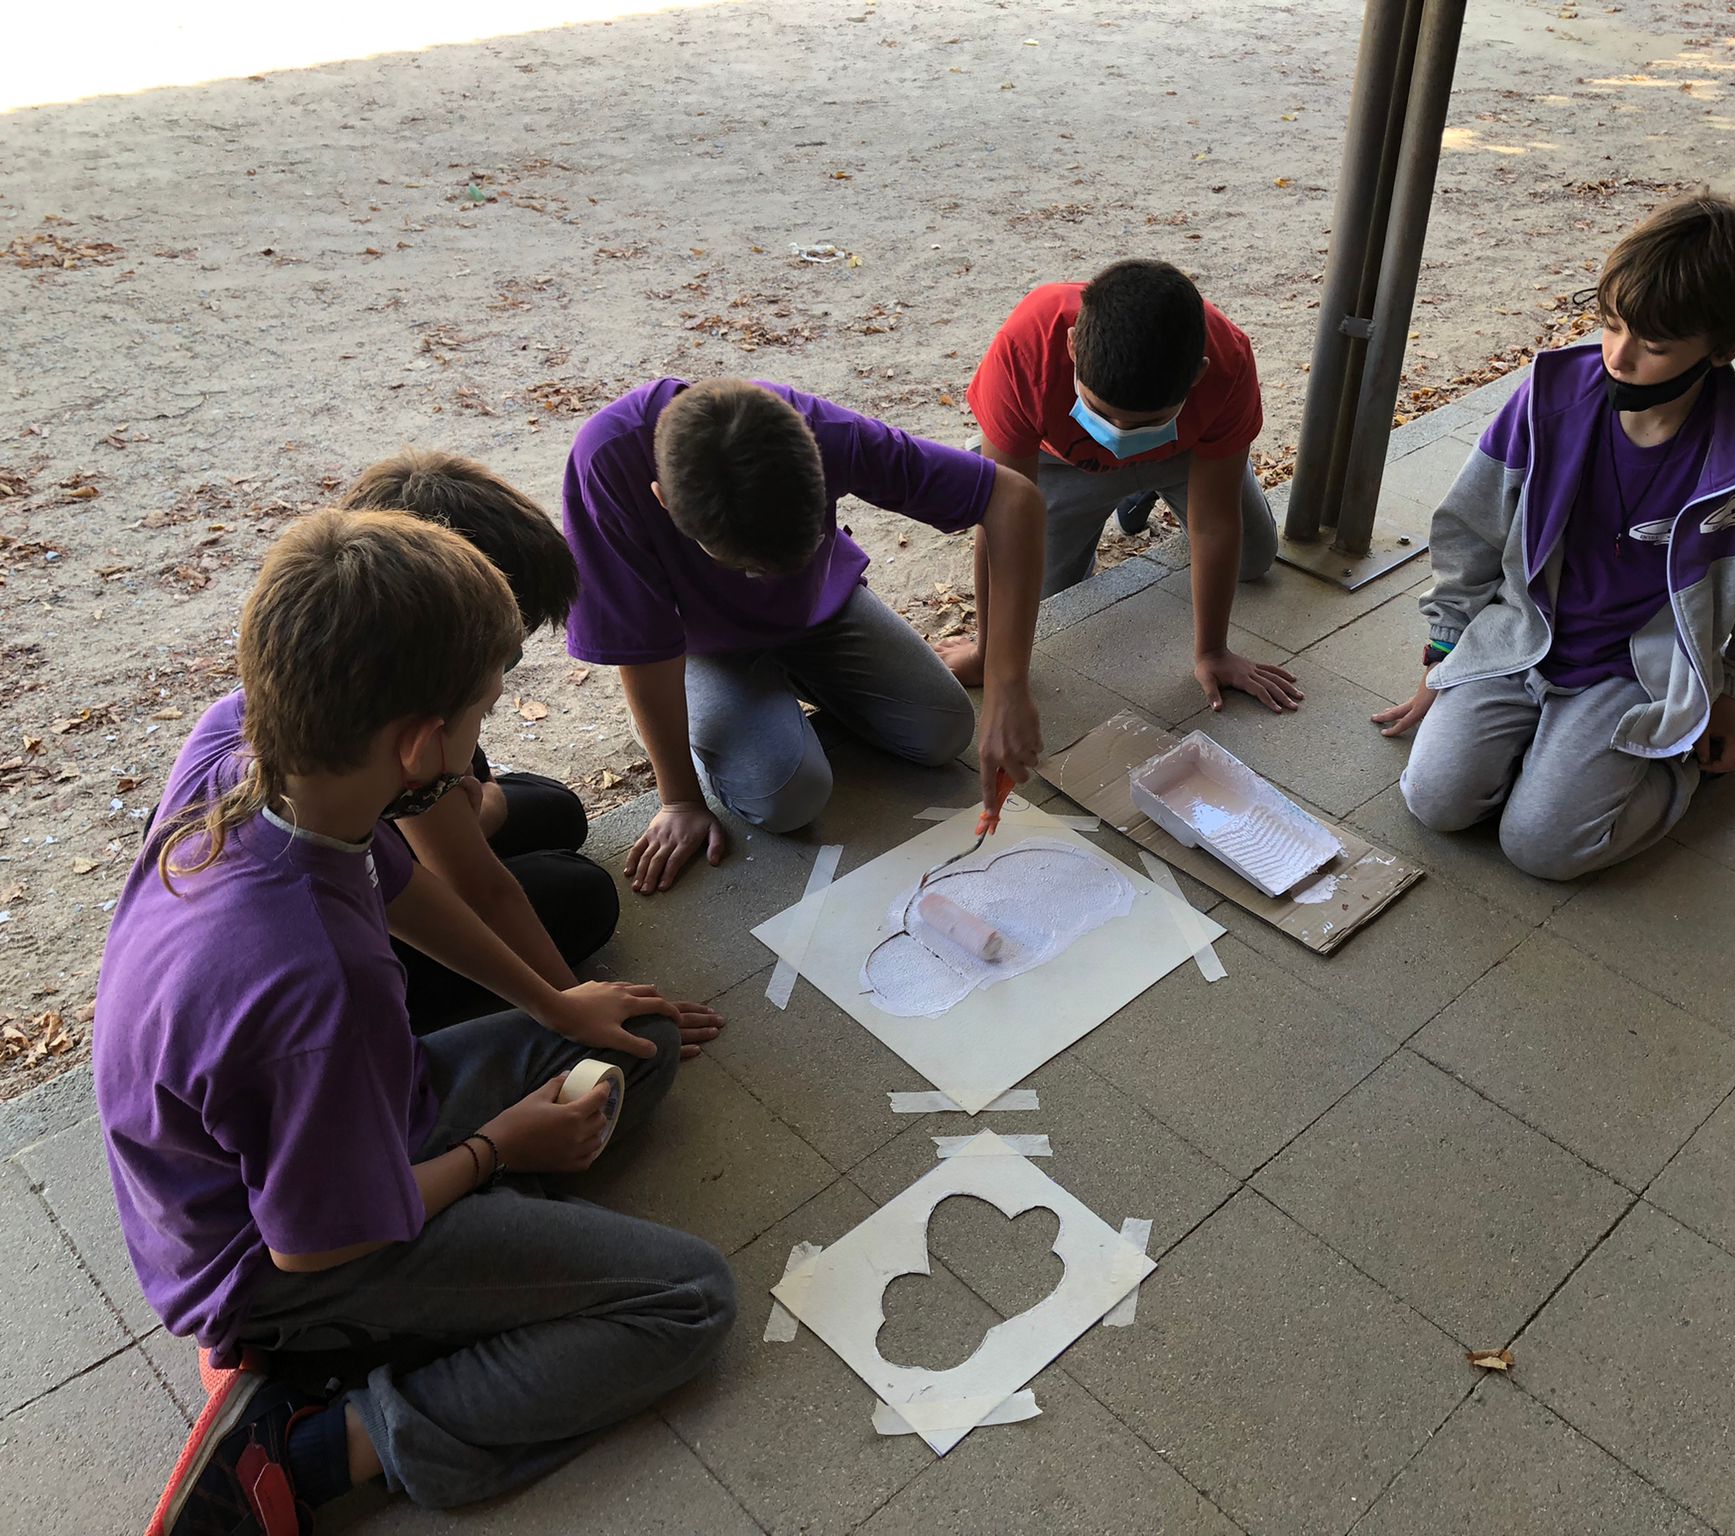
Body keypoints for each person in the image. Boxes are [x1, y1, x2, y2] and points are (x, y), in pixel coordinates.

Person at [99, 511, 734, 1535]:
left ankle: (449, 1270)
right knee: (688, 1299)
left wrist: (555, 1000)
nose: (482, 750)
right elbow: (313, 1248)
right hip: (272, 1267)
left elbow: (394, 884)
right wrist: (497, 1151)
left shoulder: (246, 739)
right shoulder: (317, 982)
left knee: (633, 1045)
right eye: (482, 713)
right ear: (419, 746)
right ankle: (315, 1445)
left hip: (331, 1128)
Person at [1372, 193, 1735, 880]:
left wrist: (1727, 696)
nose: (1618, 356)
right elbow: (1469, 533)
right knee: (1435, 800)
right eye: (1610, 323)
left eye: (1654, 345)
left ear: (1728, 346)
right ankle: (1557, 760)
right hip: (1520, 635)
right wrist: (1442, 658)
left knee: (1543, 848)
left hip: (1640, 671)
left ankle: (1671, 762)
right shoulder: (1547, 399)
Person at [560, 376, 1046, 895]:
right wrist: (679, 798)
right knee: (788, 796)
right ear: (662, 499)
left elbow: (1013, 500)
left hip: (818, 609)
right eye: (745, 569)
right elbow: (640, 645)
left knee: (942, 731)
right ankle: (701, 712)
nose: (761, 583)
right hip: (698, 645)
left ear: (820, 466)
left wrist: (1007, 685)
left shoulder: (822, 432)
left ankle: (785, 692)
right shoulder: (605, 464)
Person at [338, 448, 619, 1031]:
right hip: (362, 930)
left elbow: (416, 867)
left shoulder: (359, 661)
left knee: (557, 809)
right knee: (583, 894)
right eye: (501, 662)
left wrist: (468, 809)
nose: (503, 684)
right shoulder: (398, 735)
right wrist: (570, 1008)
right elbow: (475, 888)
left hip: (385, 843)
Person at [964, 258, 1302, 714]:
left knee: (1253, 559)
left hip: (1184, 455)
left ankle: (1150, 483)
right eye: (1101, 412)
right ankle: (1106, 478)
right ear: (1071, 347)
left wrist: (1212, 652)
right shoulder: (1027, 345)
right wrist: (988, 656)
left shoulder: (1229, 360)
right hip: (1062, 461)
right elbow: (1002, 524)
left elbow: (1215, 522)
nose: (1121, 433)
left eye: (1146, 422)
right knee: (1046, 594)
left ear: (1198, 375)